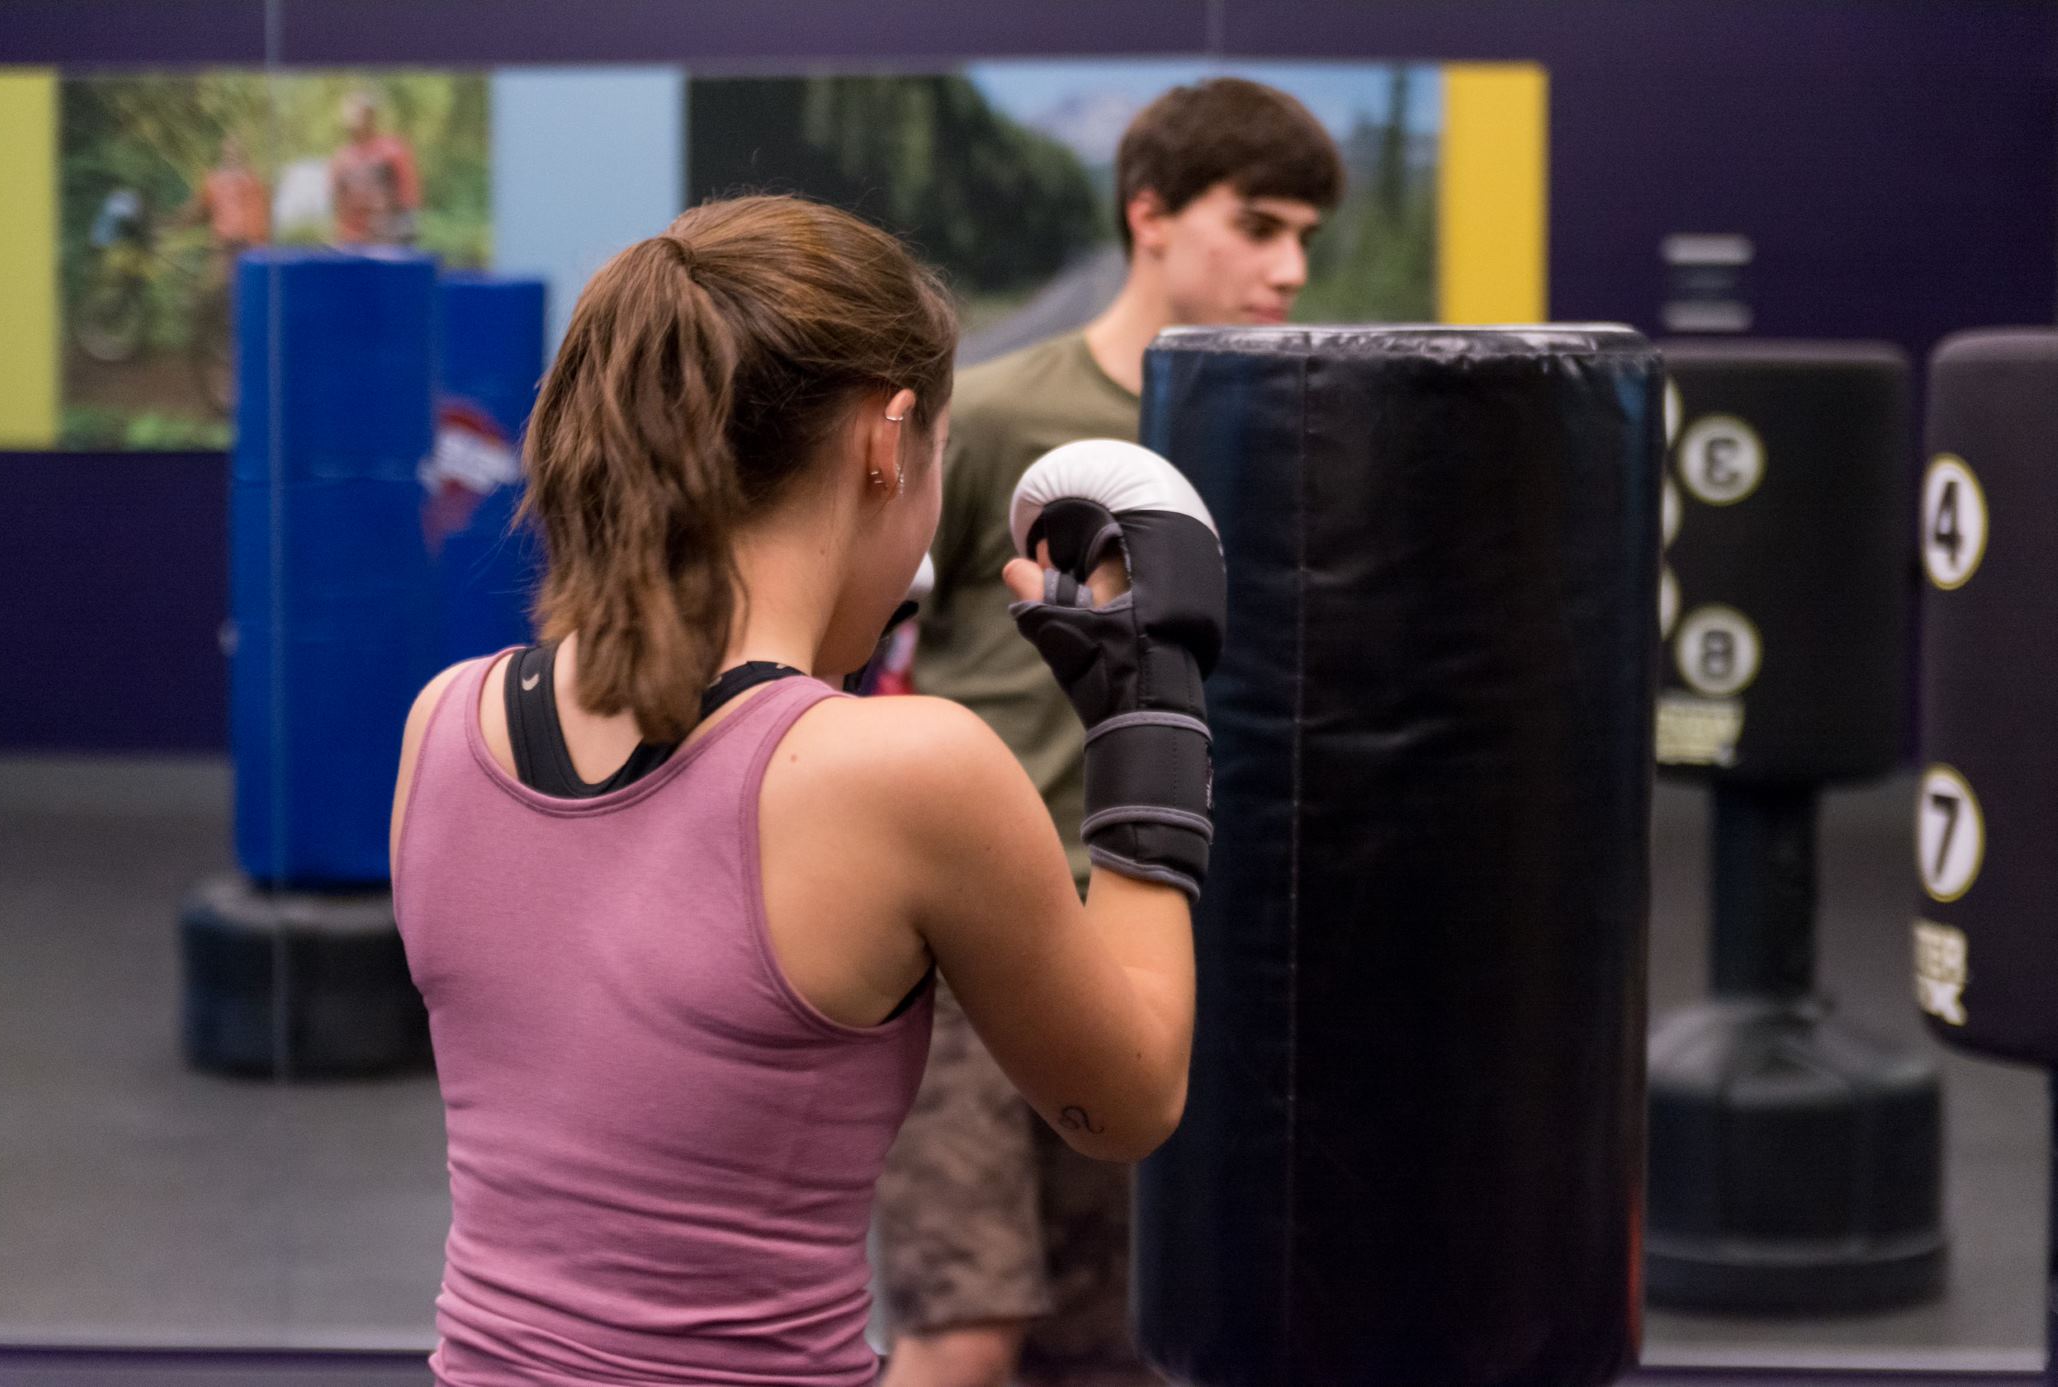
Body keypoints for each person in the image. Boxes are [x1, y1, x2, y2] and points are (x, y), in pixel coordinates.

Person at [387, 194, 1209, 1386]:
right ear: (888, 441)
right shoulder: (908, 770)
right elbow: (1129, 1100)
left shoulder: (443, 725)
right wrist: (1150, 725)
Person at [875, 77, 1344, 1387]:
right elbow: (865, 634)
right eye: (1255, 225)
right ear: (1148, 215)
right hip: (970, 939)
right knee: (963, 1332)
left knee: (1110, 1345)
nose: (1287, 266)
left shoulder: (1292, 437)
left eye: (1303, 235)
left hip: (1145, 939)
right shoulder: (1007, 411)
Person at [330, 89, 421, 246]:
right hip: (351, 244)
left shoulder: (393, 151)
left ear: (371, 115)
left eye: (358, 112)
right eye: (349, 112)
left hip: (387, 243)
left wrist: (398, 234)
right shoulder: (341, 159)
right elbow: (337, 205)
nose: (353, 118)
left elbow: (408, 201)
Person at [182, 134, 271, 272]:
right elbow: (198, 211)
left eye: (236, 152)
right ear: (224, 155)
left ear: (244, 155)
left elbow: (266, 213)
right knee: (221, 284)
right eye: (229, 152)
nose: (232, 156)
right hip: (225, 245)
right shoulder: (214, 181)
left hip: (252, 246)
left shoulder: (255, 182)